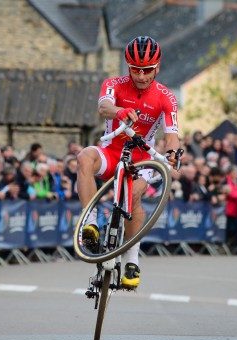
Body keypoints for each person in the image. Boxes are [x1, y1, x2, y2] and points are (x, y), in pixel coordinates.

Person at [76, 36, 180, 289]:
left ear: (157, 67)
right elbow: (104, 106)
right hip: (112, 150)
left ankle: (132, 258)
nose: (141, 76)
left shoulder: (166, 96)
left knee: (132, 194)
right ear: (128, 66)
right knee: (84, 158)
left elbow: (171, 135)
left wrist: (172, 155)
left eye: (146, 70)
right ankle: (89, 223)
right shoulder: (114, 83)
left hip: (142, 158)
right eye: (135, 69)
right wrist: (119, 111)